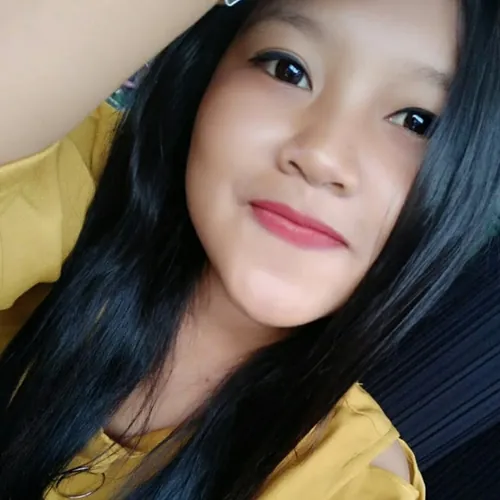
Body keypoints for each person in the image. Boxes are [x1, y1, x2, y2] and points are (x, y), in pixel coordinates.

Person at [0, 0, 498, 498]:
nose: (322, 156)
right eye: (288, 69)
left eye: (416, 121)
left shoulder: (346, 485)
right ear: (209, 69)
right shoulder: (74, 175)